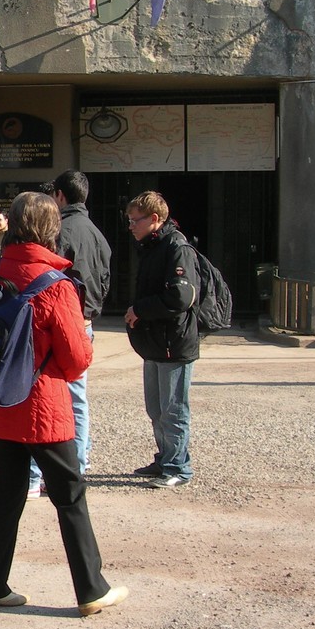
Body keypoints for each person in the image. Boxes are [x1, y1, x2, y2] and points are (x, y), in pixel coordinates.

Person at [0, 192, 127, 617]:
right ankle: (91, 588)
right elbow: (76, 360)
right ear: (51, 229)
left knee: (5, 490)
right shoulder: (56, 285)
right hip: (41, 406)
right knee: (69, 493)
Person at [28, 170, 111, 497]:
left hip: (62, 319)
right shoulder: (96, 233)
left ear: (60, 196)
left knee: (45, 393)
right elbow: (105, 277)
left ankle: (43, 471)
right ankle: (78, 463)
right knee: (78, 396)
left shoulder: (63, 231)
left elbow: (48, 274)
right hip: (85, 320)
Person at [123, 190, 199, 489]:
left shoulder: (177, 247)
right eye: (129, 220)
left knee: (173, 409)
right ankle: (166, 458)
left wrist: (140, 310)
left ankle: (178, 467)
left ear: (155, 219)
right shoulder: (152, 247)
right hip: (155, 342)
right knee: (156, 408)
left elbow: (180, 296)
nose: (131, 226)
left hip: (173, 343)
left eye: (136, 220)